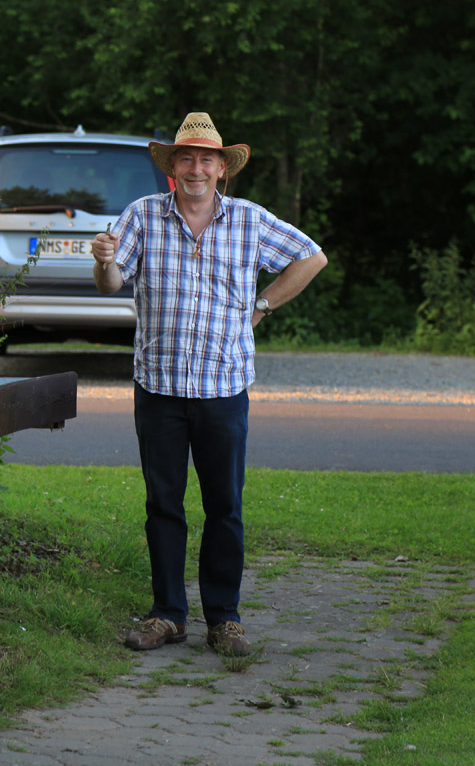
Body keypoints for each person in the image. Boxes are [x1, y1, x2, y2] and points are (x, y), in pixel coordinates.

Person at [91, 112, 327, 656]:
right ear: (172, 167)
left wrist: (263, 304)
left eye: (206, 160)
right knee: (163, 505)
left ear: (223, 169)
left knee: (225, 507)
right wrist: (102, 261)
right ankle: (168, 615)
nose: (196, 168)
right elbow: (110, 283)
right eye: (186, 158)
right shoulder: (142, 216)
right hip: (159, 387)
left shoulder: (249, 219)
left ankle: (224, 619)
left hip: (224, 389)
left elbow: (312, 257)